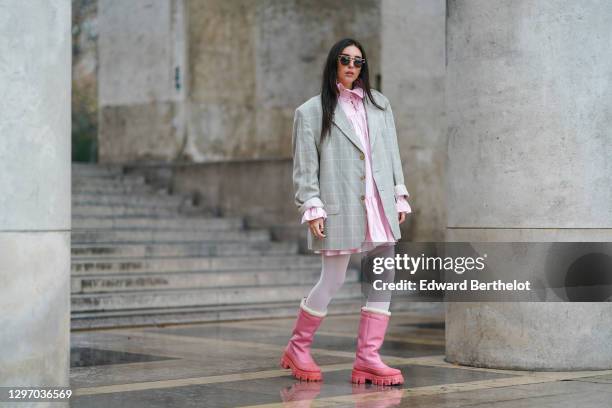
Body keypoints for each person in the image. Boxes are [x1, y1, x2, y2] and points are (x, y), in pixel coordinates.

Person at [281, 38, 412, 386]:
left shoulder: (380, 104)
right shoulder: (310, 112)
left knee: (385, 273)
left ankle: (368, 357)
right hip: (340, 205)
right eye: (345, 59)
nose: (352, 65)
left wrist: (398, 193)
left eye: (358, 61)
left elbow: (392, 152)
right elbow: (304, 169)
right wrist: (312, 206)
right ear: (333, 64)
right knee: (334, 278)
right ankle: (298, 346)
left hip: (377, 201)